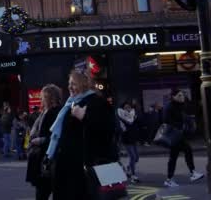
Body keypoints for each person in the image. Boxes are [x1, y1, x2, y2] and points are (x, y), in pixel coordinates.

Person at [47, 71, 118, 200]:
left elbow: (108, 129)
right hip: (69, 167)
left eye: (74, 84)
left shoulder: (96, 101)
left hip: (85, 168)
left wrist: (84, 117)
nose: (70, 87)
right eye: (69, 84)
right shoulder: (70, 103)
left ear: (84, 84)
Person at [26, 84, 62, 200]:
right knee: (43, 191)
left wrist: (41, 140)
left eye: (43, 97)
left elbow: (58, 135)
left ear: (50, 98)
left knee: (44, 192)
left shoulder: (56, 112)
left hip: (50, 158)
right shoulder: (44, 112)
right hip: (42, 157)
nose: (41, 100)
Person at [163, 89, 204, 187]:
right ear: (173, 96)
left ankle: (170, 179)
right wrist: (180, 126)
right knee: (186, 151)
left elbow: (184, 116)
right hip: (174, 135)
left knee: (175, 157)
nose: (182, 97)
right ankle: (192, 173)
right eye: (179, 95)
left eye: (182, 95)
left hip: (178, 135)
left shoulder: (179, 106)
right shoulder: (169, 107)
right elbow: (166, 120)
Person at [118, 101, 140, 183]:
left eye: (129, 107)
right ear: (123, 108)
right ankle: (133, 175)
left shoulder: (133, 115)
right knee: (133, 157)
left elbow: (136, 125)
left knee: (136, 157)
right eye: (126, 107)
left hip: (133, 138)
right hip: (126, 139)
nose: (128, 108)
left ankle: (128, 168)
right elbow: (121, 128)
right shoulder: (120, 116)